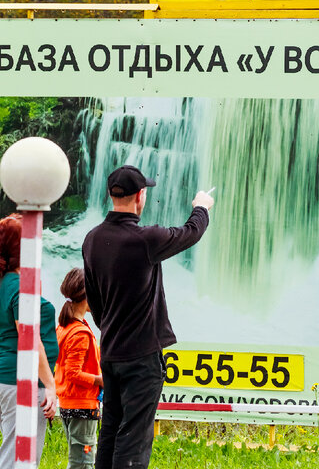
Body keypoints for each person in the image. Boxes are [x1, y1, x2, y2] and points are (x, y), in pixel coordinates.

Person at [82, 165, 214, 469]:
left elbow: (94, 301)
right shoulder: (144, 239)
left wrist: (111, 329)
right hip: (142, 358)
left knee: (111, 431)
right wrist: (201, 207)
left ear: (110, 195)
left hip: (111, 353)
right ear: (140, 196)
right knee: (134, 437)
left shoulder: (91, 240)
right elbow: (190, 232)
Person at [0, 213, 60, 469]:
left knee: (19, 456)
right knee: (18, 461)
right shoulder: (20, 287)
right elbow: (30, 340)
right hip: (20, 382)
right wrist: (50, 385)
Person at [56, 267, 102, 468]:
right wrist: (101, 381)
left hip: (69, 404)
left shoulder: (64, 327)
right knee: (83, 464)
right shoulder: (79, 333)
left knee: (79, 461)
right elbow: (73, 373)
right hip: (82, 405)